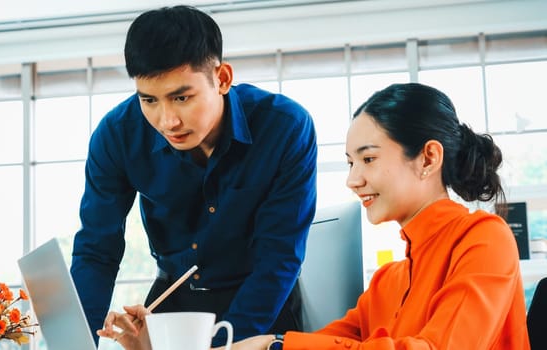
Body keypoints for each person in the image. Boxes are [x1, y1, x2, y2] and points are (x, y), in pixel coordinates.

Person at [98, 82, 531, 350]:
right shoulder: (388, 282)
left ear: (428, 157)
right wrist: (152, 347)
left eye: (368, 159)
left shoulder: (484, 239)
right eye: (349, 163)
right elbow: (317, 343)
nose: (353, 180)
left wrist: (275, 346)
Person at [70, 4, 317, 347]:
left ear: (222, 78)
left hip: (262, 303)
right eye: (149, 100)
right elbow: (97, 251)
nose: (167, 120)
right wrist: (76, 343)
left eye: (181, 97)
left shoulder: (285, 127)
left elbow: (278, 257)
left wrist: (224, 345)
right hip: (175, 307)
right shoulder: (117, 135)